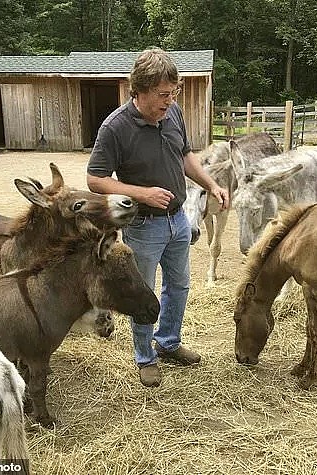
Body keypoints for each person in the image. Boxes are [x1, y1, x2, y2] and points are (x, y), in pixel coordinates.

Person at [87, 48, 229, 387]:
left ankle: (168, 343)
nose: (170, 100)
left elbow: (185, 155)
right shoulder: (115, 127)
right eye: (163, 94)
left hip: (178, 220)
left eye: (174, 92)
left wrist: (211, 184)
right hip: (143, 225)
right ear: (140, 90)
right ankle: (145, 357)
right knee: (143, 291)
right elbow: (95, 178)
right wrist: (142, 193)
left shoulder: (173, 113)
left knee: (178, 286)